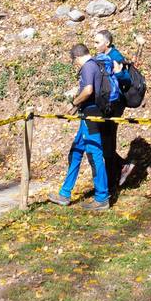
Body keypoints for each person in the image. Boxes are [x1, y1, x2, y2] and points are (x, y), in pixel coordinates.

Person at [47, 43, 110, 210]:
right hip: (87, 115)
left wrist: (74, 102)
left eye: (73, 62)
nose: (75, 65)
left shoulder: (88, 66)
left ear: (76, 57)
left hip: (92, 117)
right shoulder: (95, 64)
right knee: (75, 152)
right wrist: (74, 108)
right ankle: (65, 194)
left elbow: (88, 90)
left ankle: (102, 197)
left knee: (94, 155)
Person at [92, 28, 134, 191]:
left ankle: (111, 184)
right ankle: (122, 167)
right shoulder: (103, 57)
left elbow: (126, 80)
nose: (95, 45)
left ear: (107, 43)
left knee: (107, 141)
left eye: (97, 42)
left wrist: (118, 73)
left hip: (115, 106)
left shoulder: (115, 57)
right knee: (104, 140)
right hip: (106, 105)